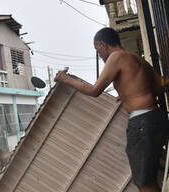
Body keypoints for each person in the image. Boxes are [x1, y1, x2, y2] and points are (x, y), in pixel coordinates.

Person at [54, 27, 168, 192]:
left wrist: (66, 79)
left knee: (144, 181)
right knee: (150, 175)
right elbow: (159, 88)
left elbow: (95, 90)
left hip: (142, 123)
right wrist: (128, 94)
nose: (99, 55)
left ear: (103, 44)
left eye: (97, 50)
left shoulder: (116, 58)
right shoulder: (137, 58)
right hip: (156, 118)